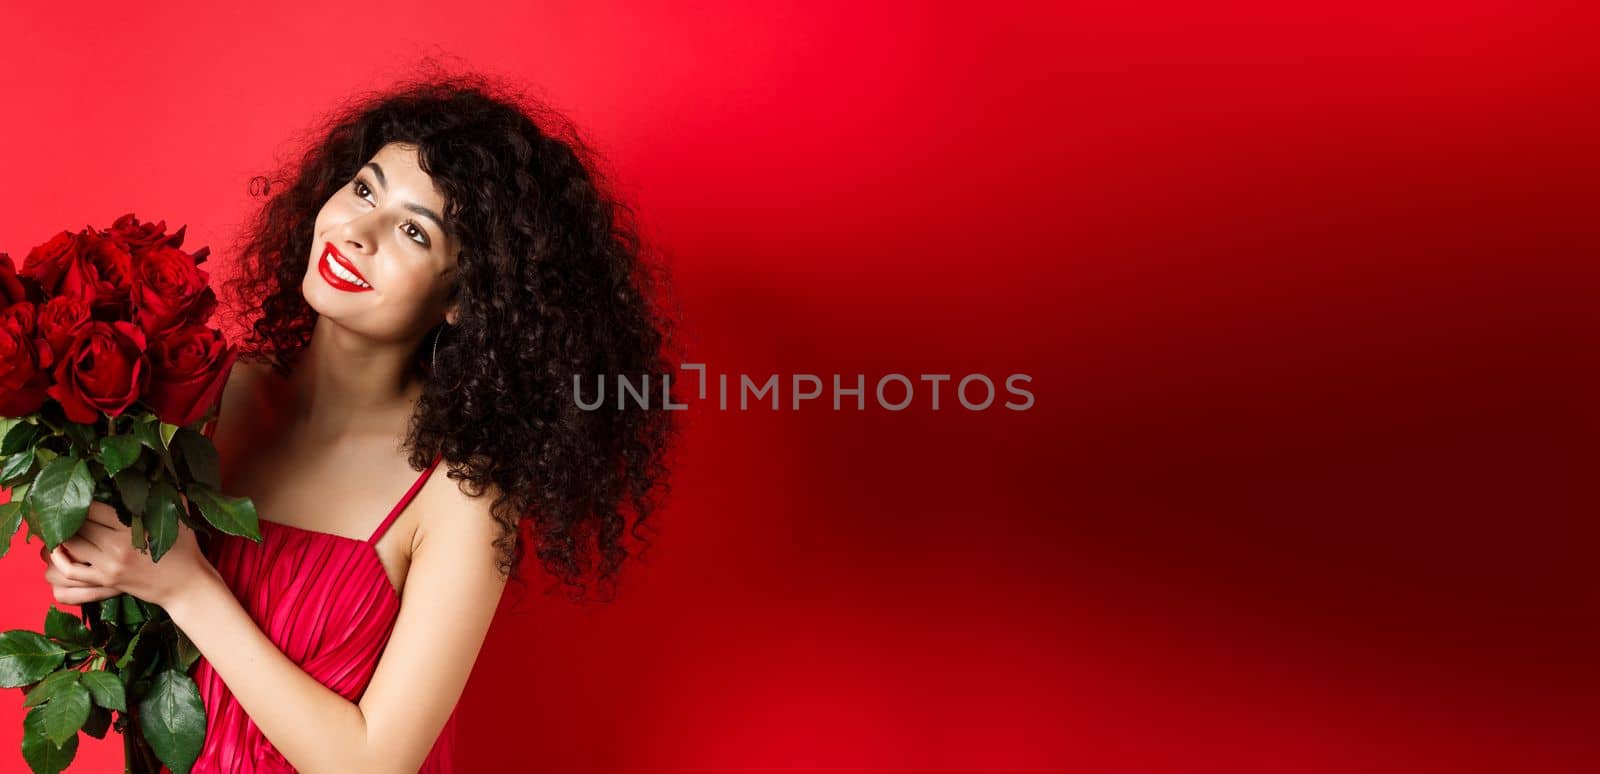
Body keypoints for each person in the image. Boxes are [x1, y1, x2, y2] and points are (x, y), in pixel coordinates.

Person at [36, 66, 679, 772]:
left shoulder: (461, 495)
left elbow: (373, 764)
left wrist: (186, 587)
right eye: (365, 189)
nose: (357, 231)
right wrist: (95, 567)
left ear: (467, 300)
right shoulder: (206, 393)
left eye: (413, 230)